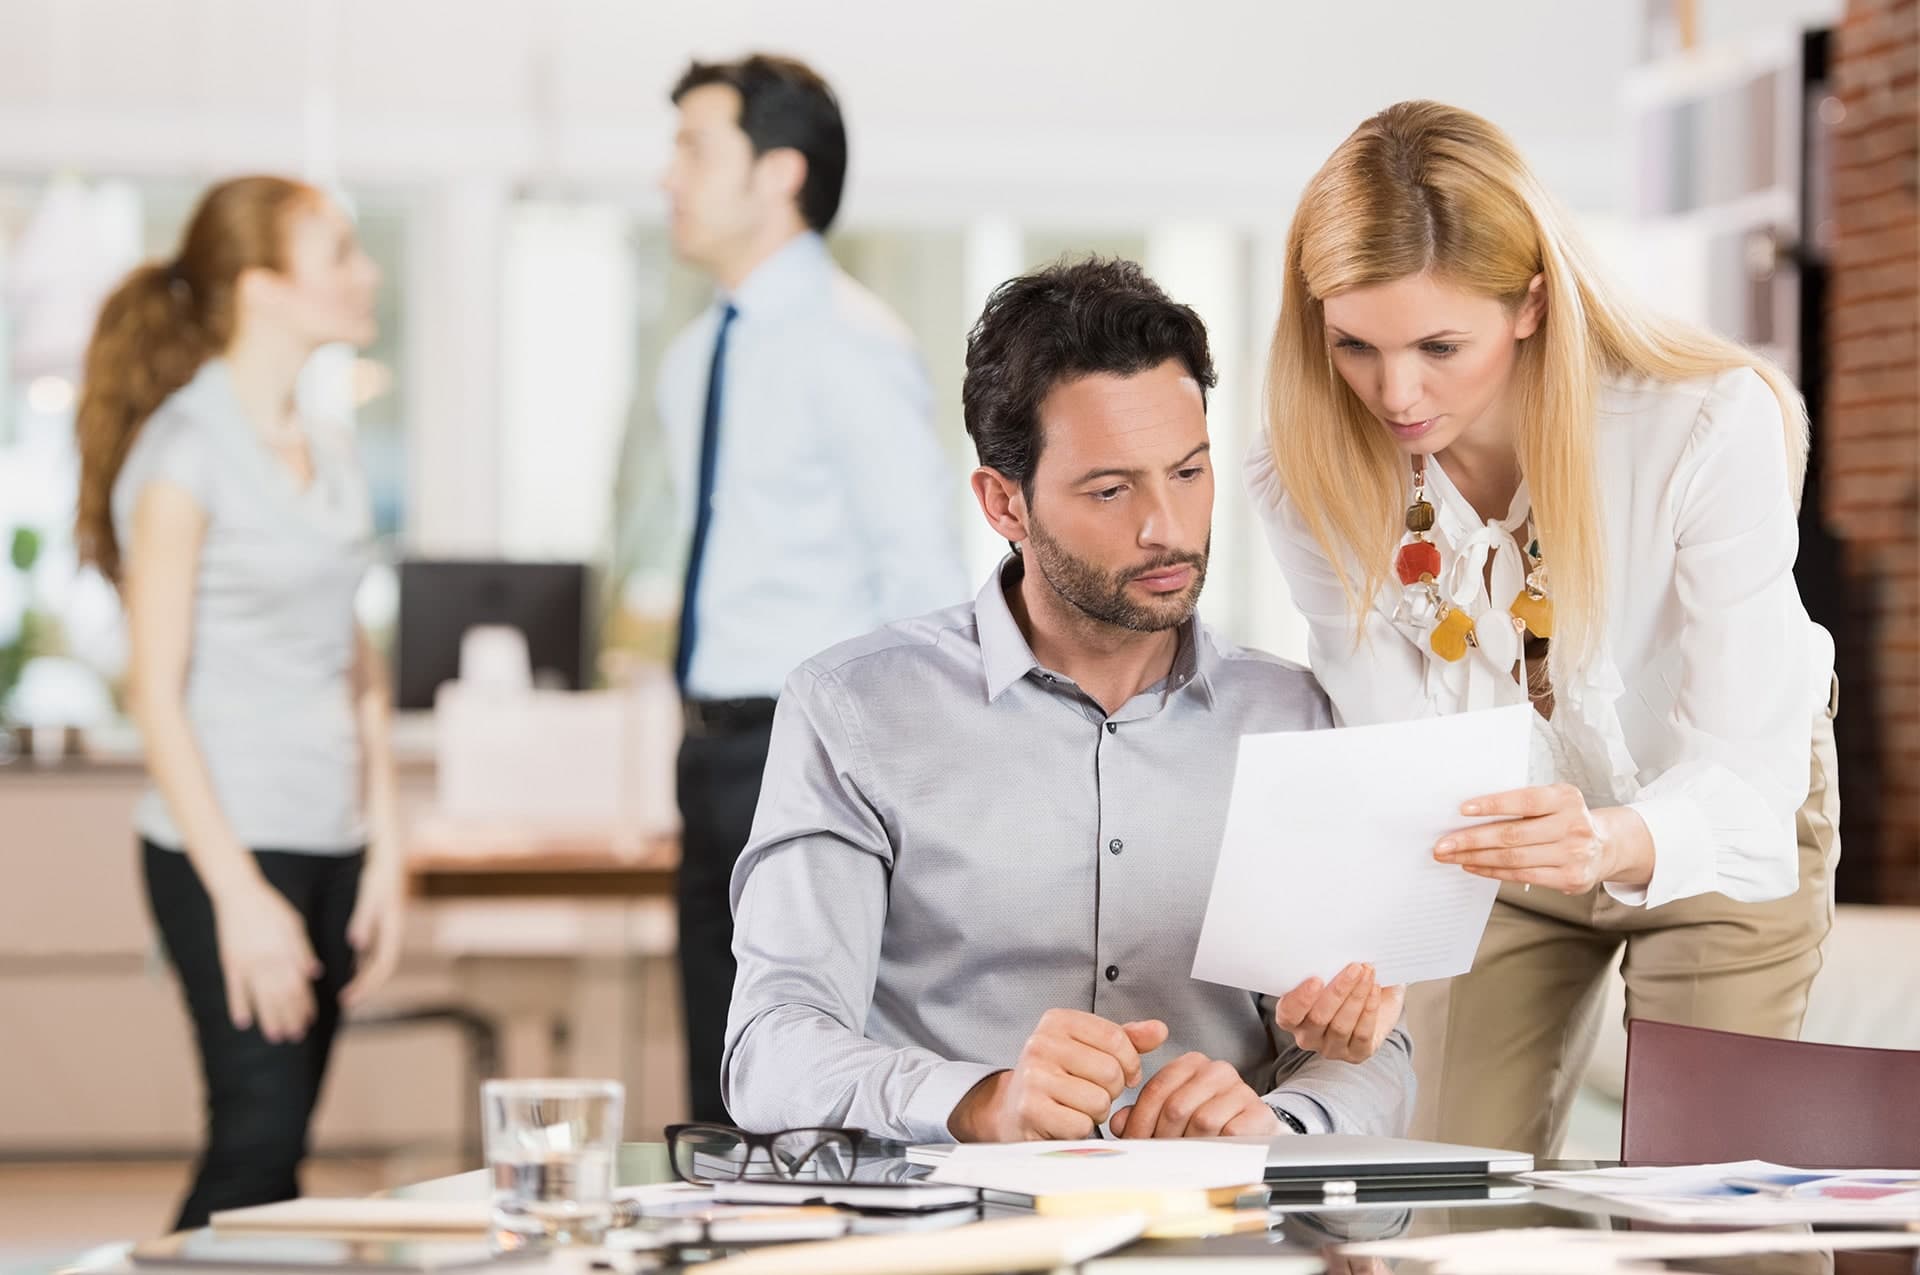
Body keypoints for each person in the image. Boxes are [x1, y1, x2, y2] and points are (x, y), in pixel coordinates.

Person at [1250, 100, 1839, 1157]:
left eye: (1439, 344)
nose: (1396, 393)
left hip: (1718, 822)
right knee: (1433, 1202)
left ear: (1527, 305)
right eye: (1355, 345)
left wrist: (1607, 840)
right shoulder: (1309, 466)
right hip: (1491, 843)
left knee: (1710, 1226)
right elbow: (1390, 744)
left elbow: (1747, 778)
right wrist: (1357, 955)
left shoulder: (1703, 420)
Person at [724, 258, 1415, 1143]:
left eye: (1190, 472)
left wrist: (1281, 1123)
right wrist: (979, 1101)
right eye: (1111, 489)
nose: (1166, 526)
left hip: (1218, 1241)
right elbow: (771, 1047)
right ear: (1003, 502)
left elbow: (1369, 1044)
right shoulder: (851, 713)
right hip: (953, 1236)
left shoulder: (1297, 718)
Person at [74, 176, 404, 1228]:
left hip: (330, 838)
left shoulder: (332, 449)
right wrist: (238, 897)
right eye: (341, 254)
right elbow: (154, 698)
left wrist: (390, 845)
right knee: (254, 1155)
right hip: (226, 845)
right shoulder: (184, 454)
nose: (368, 273)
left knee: (277, 1157)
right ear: (261, 285)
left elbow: (355, 662)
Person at [656, 53, 969, 1123]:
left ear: (780, 171)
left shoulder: (850, 345)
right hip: (708, 747)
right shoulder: (698, 353)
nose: (670, 176)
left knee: (805, 1093)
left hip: (813, 748)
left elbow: (920, 579)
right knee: (716, 1075)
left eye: (696, 148)